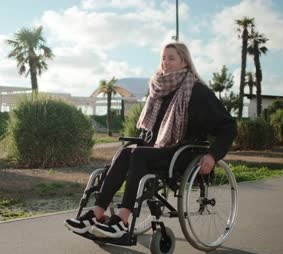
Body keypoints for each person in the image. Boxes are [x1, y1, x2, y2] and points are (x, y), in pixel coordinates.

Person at [65, 42, 237, 239]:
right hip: (156, 149)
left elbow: (228, 127)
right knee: (124, 152)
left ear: (184, 61)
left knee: (138, 154)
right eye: (163, 58)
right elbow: (151, 132)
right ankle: (96, 213)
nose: (165, 62)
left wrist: (213, 155)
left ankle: (122, 219)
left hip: (183, 152)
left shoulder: (197, 91)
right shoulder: (159, 89)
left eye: (171, 58)